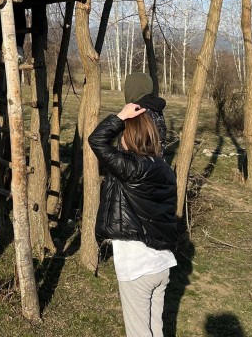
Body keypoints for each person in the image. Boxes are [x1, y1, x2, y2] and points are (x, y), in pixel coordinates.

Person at [89, 103, 178, 337]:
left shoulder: (131, 168)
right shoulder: (164, 169)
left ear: (128, 135)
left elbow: (97, 140)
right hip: (161, 264)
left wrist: (120, 117)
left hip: (138, 266)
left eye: (123, 133)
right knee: (154, 329)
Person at [124, 72, 167, 152]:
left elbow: (133, 147)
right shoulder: (154, 107)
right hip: (156, 161)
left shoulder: (138, 112)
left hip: (136, 162)